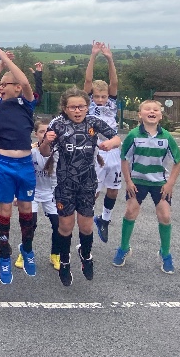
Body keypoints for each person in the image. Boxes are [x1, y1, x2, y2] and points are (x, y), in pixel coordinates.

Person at [40, 88, 121, 286]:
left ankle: (86, 255)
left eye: (81, 107)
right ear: (65, 108)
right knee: (66, 226)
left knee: (86, 226)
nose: (77, 111)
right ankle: (64, 261)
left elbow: (116, 138)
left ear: (87, 107)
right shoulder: (57, 124)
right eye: (73, 107)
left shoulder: (93, 122)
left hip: (87, 182)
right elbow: (44, 152)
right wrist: (46, 141)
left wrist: (110, 143)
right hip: (64, 184)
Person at [0, 48, 37, 284]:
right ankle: (4, 256)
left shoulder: (27, 103)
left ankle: (27, 248)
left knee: (26, 209)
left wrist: (7, 60)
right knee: (4, 211)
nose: (1, 87)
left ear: (17, 88)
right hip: (3, 164)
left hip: (25, 164)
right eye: (1, 85)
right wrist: (0, 65)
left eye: (6, 84)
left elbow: (25, 81)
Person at [112, 100, 180, 273]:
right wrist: (128, 181)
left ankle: (165, 253)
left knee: (165, 216)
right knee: (130, 212)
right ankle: (124, 248)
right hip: (137, 182)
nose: (152, 112)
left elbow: (178, 162)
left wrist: (170, 183)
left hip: (160, 183)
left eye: (156, 109)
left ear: (160, 115)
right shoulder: (133, 135)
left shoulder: (166, 137)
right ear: (140, 114)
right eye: (147, 109)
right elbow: (124, 159)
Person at [84, 41, 122, 243]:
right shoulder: (88, 103)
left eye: (103, 96)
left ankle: (104, 219)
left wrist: (109, 58)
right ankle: (86, 223)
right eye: (97, 96)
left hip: (113, 148)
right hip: (96, 150)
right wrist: (93, 56)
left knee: (114, 189)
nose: (100, 99)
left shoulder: (112, 102)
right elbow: (88, 79)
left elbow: (113, 82)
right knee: (95, 191)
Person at [16, 119, 60, 272]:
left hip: (50, 193)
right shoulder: (30, 152)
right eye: (42, 131)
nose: (45, 134)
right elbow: (21, 174)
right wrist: (17, 194)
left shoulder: (58, 152)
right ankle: (25, 251)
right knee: (30, 223)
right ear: (36, 134)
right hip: (32, 193)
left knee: (58, 224)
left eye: (48, 131)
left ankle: (55, 254)